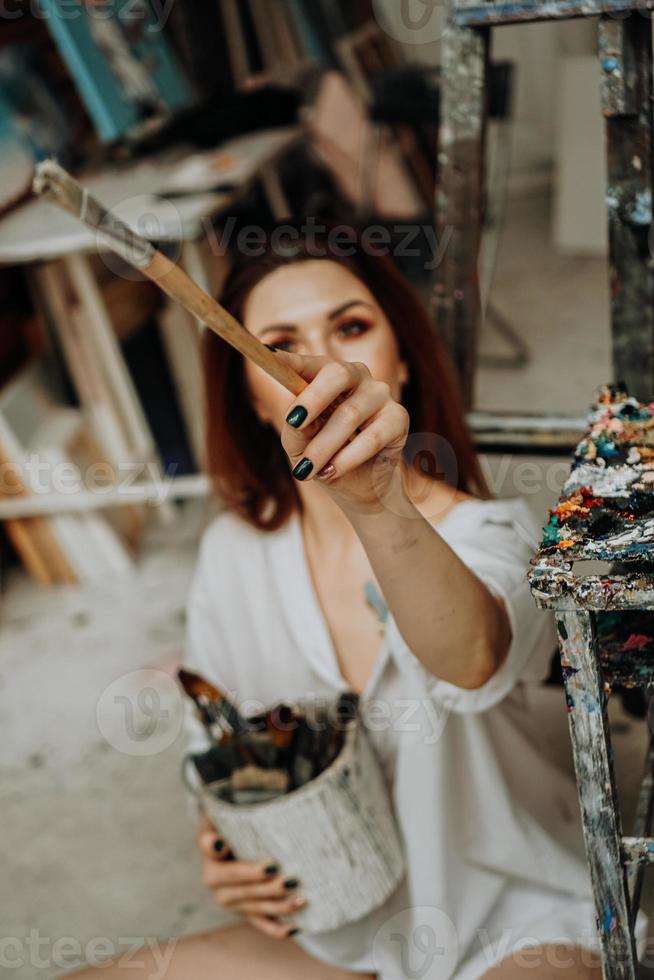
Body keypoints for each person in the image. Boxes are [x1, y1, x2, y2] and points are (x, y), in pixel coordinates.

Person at [71, 226, 606, 979]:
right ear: (254, 401)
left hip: (515, 921)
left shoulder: (492, 533)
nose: (318, 362)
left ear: (404, 364)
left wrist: (377, 498)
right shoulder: (234, 554)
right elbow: (218, 740)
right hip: (335, 934)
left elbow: (473, 660)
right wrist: (222, 847)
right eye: (279, 343)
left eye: (350, 327)